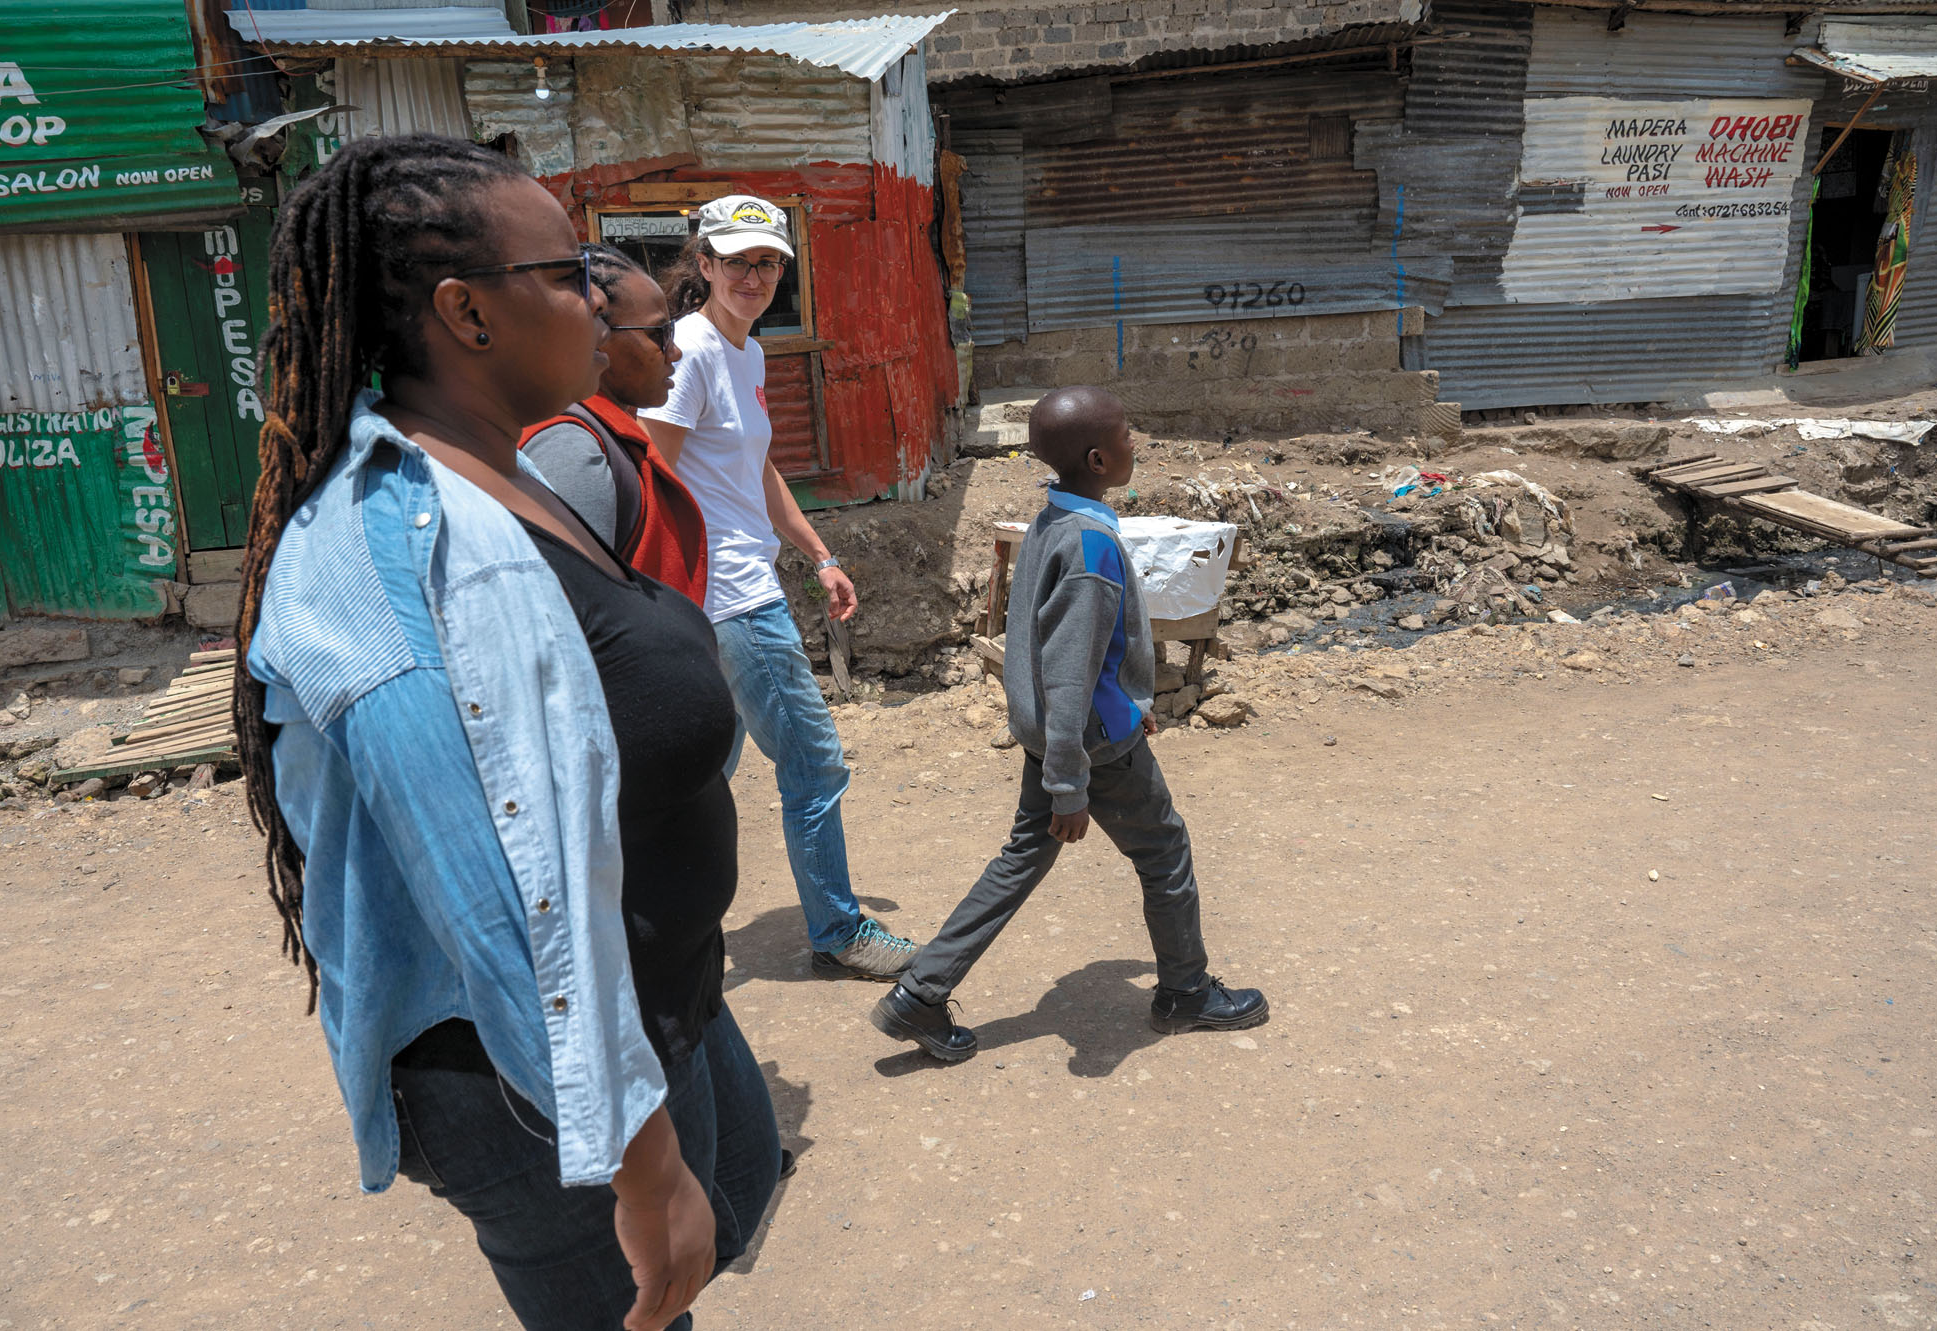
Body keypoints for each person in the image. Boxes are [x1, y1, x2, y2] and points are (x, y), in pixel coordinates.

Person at [233, 133, 779, 1331]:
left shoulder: (509, 471)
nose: (603, 298)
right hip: (527, 1079)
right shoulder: (381, 552)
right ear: (466, 313)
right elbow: (494, 897)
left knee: (738, 1198)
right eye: (569, 272)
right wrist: (640, 1158)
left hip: (647, 1000)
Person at [869, 387, 1270, 1062]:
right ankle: (1186, 992)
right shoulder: (1092, 547)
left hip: (1059, 738)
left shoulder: (1052, 520)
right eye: (1127, 435)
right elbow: (1068, 672)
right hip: (1091, 746)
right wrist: (1069, 785)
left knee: (1021, 859)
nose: (1135, 442)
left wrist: (1109, 723)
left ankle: (919, 991)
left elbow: (1068, 655)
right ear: (1099, 459)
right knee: (1164, 851)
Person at [641, 194, 918, 982]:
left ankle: (653, 929)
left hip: (734, 586)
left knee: (703, 776)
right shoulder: (690, 351)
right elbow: (651, 474)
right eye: (737, 261)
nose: (753, 276)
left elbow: (755, 466)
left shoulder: (747, 353)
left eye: (767, 263)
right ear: (705, 264)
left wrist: (820, 553)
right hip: (727, 597)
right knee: (815, 764)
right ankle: (838, 930)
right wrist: (666, 601)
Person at [521, 244, 706, 601]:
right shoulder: (571, 448)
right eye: (659, 334)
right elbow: (581, 611)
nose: (675, 351)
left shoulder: (607, 431)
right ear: (594, 334)